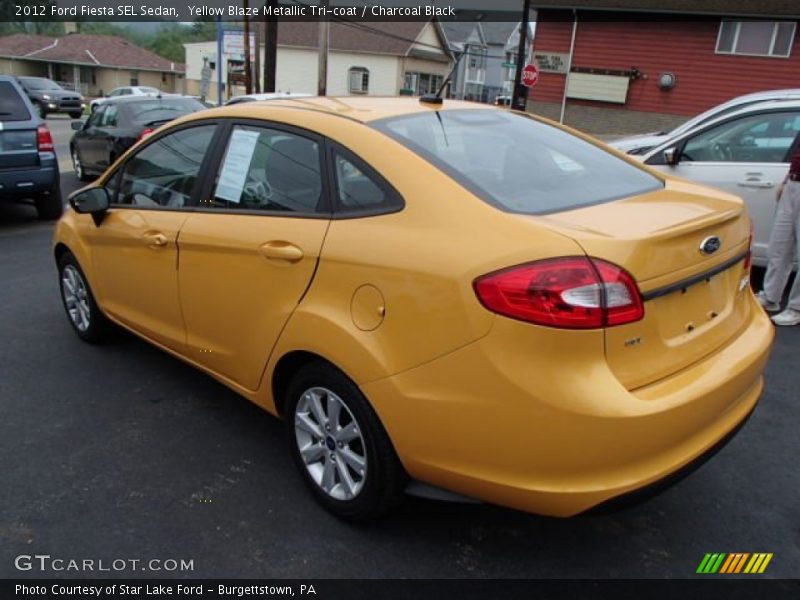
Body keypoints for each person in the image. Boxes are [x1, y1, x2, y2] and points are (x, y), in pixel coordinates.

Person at [756, 138, 800, 326]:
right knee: (779, 246)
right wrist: (786, 180)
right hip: (794, 184)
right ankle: (770, 297)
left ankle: (796, 308)